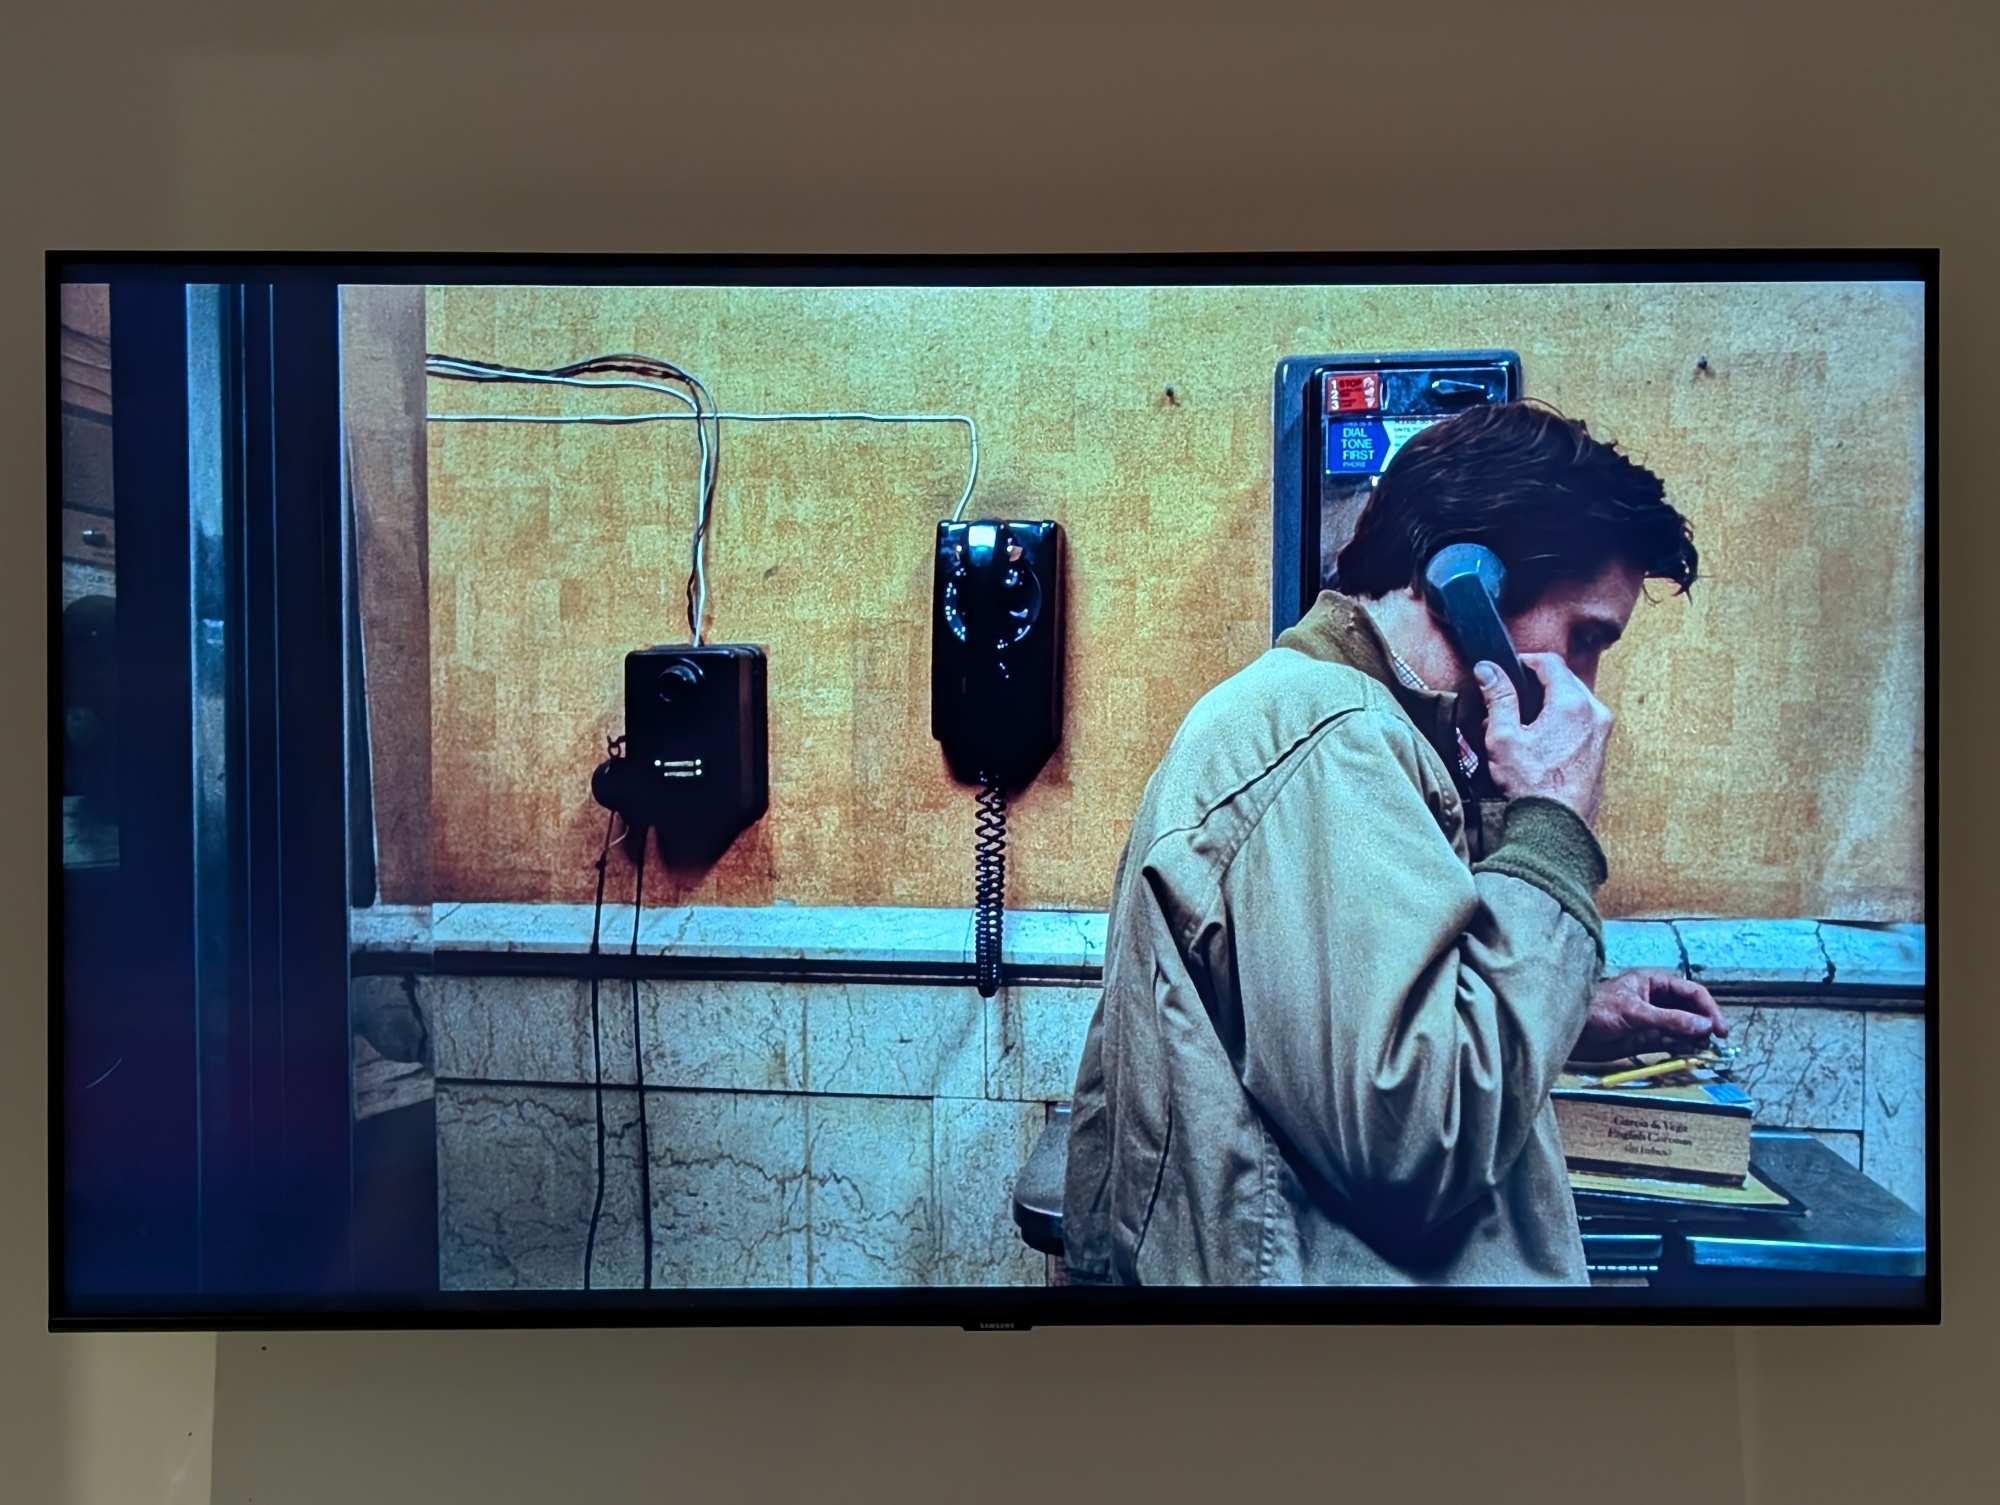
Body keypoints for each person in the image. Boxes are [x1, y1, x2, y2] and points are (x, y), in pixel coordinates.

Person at [1062, 400, 1730, 1286]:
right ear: (1469, 582)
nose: (1588, 688)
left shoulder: (1353, 731)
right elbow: (1420, 1133)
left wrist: (1570, 1014)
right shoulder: (1333, 742)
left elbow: (1350, 1038)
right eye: (1583, 636)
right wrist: (1552, 827)